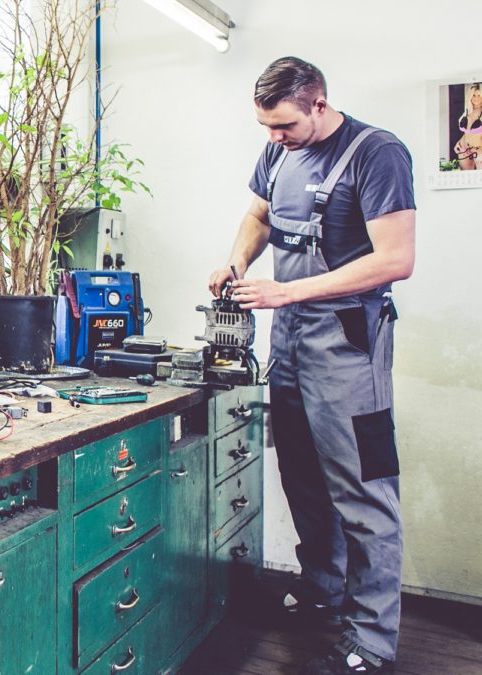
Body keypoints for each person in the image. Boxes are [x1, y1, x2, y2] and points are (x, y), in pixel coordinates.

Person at [208, 56, 415, 675]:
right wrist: (238, 263)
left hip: (350, 343)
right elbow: (258, 215)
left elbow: (396, 259)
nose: (275, 138)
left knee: (364, 489)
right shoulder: (277, 152)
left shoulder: (377, 154)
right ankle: (324, 589)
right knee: (301, 474)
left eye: (285, 126)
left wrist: (288, 291)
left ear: (319, 104)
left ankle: (372, 640)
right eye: (266, 127)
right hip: (291, 341)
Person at [452, 83, 482, 170]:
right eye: (473, 95)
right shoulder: (467, 112)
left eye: (479, 95)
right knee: (466, 176)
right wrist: (458, 142)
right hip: (463, 149)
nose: (476, 98)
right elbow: (467, 132)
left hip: (478, 151)